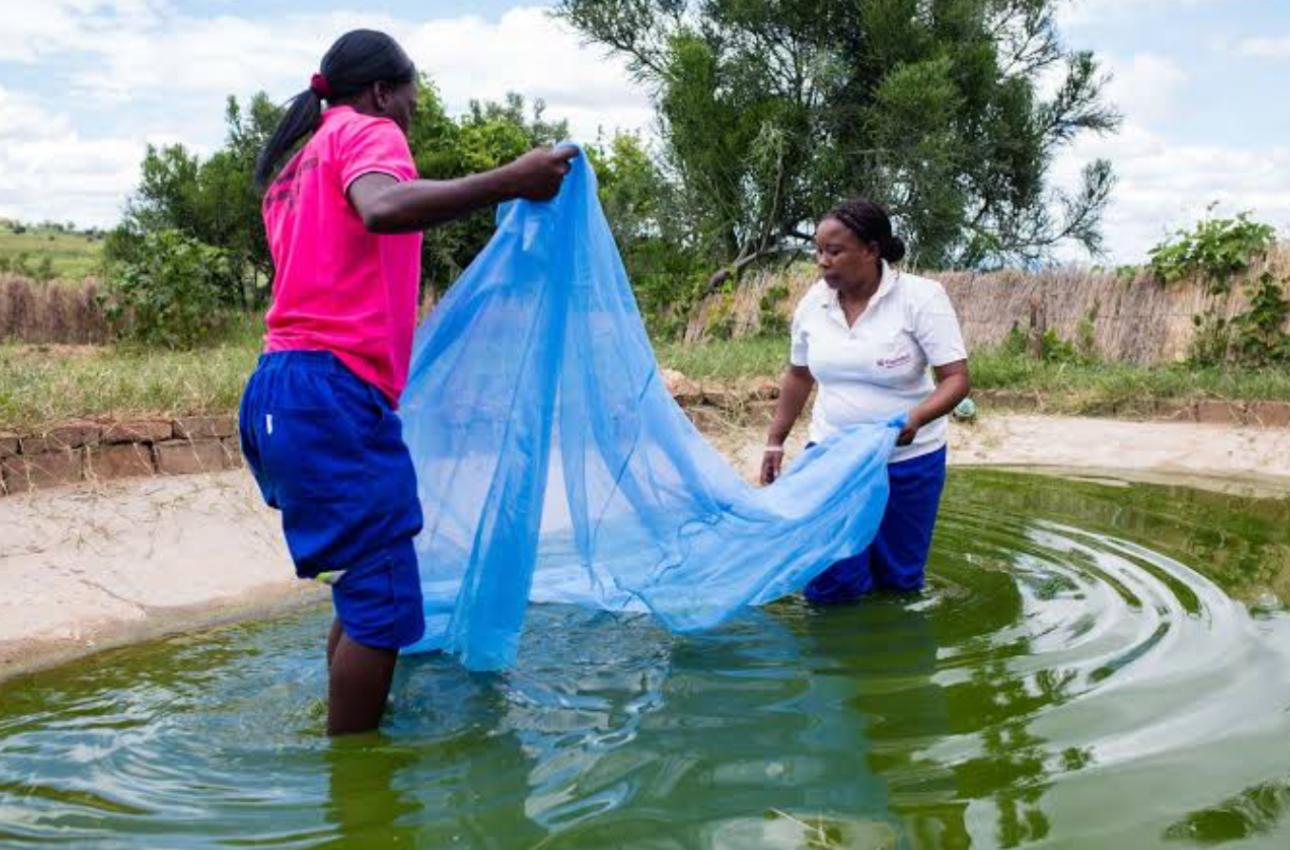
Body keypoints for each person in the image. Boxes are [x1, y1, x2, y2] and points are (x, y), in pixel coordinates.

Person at [239, 29, 577, 735]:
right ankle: (360, 791)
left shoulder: (295, 163)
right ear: (383, 91)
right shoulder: (365, 131)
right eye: (412, 101)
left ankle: (346, 729)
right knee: (388, 601)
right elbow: (383, 209)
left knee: (366, 587)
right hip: (329, 395)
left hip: (280, 390)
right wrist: (511, 180)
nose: (411, 115)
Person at [760, 199, 969, 603]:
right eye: (818, 251)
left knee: (898, 580)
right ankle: (833, 659)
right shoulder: (813, 304)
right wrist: (775, 439)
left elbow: (956, 379)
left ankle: (891, 662)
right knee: (830, 577)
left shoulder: (920, 298)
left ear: (872, 251)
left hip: (908, 460)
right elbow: (799, 375)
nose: (823, 261)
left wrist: (916, 417)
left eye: (834, 251)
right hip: (833, 457)